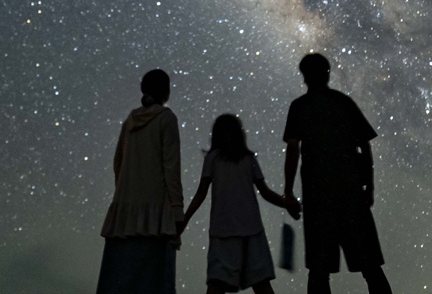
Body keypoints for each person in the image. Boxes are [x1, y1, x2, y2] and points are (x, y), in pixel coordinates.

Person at [282, 53, 393, 294]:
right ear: (328, 73)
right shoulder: (343, 102)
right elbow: (365, 146)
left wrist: (288, 192)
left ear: (304, 77)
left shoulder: (300, 107)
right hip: (351, 194)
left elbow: (293, 149)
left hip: (318, 197)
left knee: (319, 271)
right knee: (370, 266)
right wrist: (369, 188)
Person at [180, 114, 301, 294]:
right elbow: (265, 192)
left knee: (216, 284)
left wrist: (185, 219)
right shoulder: (248, 159)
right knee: (261, 284)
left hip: (223, 230)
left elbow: (201, 194)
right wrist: (287, 204)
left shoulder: (213, 159)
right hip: (251, 230)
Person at [96, 69, 184, 294]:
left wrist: (125, 193)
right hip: (155, 216)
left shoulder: (130, 121)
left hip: (125, 215)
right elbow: (171, 168)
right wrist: (177, 211)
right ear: (166, 92)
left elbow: (118, 163)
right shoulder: (166, 119)